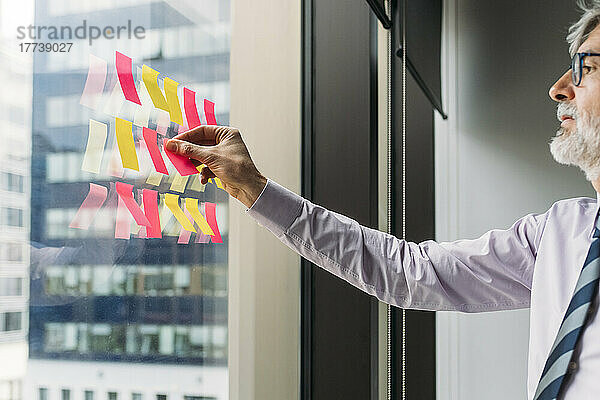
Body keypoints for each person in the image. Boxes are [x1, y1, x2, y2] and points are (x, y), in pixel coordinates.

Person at [164, 1, 600, 398]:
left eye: (586, 67)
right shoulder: (558, 232)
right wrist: (255, 189)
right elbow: (410, 271)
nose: (559, 88)